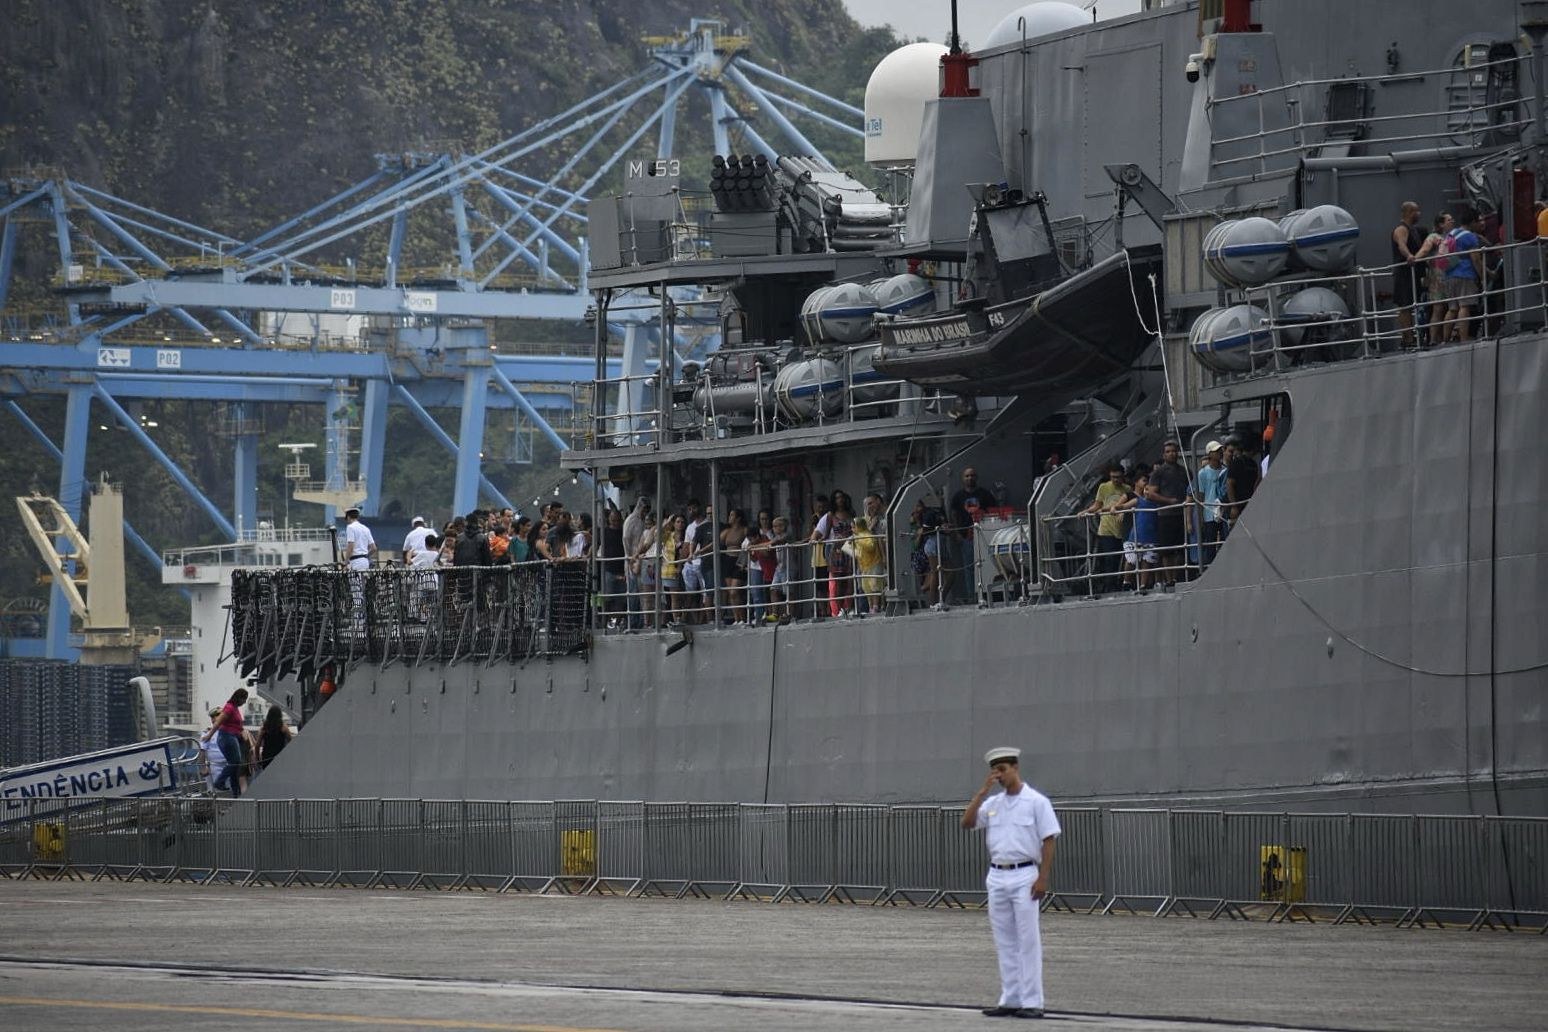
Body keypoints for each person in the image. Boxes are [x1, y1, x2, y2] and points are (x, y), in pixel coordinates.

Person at [961, 746, 1061, 1020]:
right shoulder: (993, 804)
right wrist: (982, 792)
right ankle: (1010, 997)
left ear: (1015, 768)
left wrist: (1043, 877)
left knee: (1027, 939)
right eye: (995, 771)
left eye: (1002, 770)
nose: (999, 776)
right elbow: (967, 823)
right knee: (1004, 939)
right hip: (997, 874)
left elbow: (1049, 839)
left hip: (1024, 873)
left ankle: (1032, 1001)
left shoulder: (1036, 802)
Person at [1144, 442, 1190, 586]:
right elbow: (1151, 494)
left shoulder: (1185, 471)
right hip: (1166, 515)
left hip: (1182, 513)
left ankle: (1178, 576)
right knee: (1166, 550)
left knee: (1182, 548)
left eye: (1174, 451)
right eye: (1168, 451)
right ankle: (1169, 579)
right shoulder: (1159, 472)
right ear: (1164, 455)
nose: (1172, 454)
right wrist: (1169, 500)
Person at [949, 468, 997, 602]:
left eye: (972, 475)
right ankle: (972, 595)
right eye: (967, 476)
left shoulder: (985, 494)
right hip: (966, 536)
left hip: (983, 535)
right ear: (963, 478)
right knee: (969, 567)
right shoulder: (958, 496)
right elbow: (954, 515)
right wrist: (957, 533)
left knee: (987, 564)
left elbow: (993, 511)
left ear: (977, 477)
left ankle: (987, 594)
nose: (970, 478)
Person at [1440, 208, 1486, 343]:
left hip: (1449, 274)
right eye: (1478, 221)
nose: (1479, 224)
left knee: (1452, 308)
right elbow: (1475, 259)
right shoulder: (1470, 236)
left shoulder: (1451, 234)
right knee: (1464, 306)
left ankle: (1445, 340)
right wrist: (1482, 276)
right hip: (1465, 274)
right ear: (1472, 222)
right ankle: (1464, 339)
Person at [1080, 464, 1130, 589]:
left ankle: (1119, 582)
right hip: (1106, 527)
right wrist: (1086, 511)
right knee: (1109, 557)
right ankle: (1109, 584)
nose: (1115, 480)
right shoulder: (1103, 487)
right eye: (1113, 477)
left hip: (1122, 528)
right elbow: (1097, 505)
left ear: (1123, 476)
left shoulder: (1127, 489)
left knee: (1121, 557)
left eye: (1118, 477)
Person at [1390, 201, 1429, 347]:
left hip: (1412, 274)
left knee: (1410, 305)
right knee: (1404, 306)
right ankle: (1408, 338)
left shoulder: (1413, 229)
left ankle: (1411, 335)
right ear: (1409, 213)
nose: (1419, 214)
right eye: (1416, 211)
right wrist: (1409, 256)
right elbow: (1401, 244)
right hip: (1404, 275)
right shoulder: (1401, 229)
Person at [1421, 212, 1454, 345]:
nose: (1452, 221)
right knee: (1438, 308)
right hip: (1438, 277)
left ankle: (1445, 337)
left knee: (1449, 307)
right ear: (1441, 224)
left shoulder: (1452, 236)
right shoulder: (1434, 237)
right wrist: (1414, 259)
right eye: (1449, 220)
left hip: (1450, 275)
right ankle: (1433, 339)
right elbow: (1424, 250)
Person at [211, 688, 249, 798]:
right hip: (228, 736)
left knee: (234, 765)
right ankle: (220, 781)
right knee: (236, 760)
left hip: (233, 736)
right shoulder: (229, 707)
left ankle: (235, 791)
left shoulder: (235, 708)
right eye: (244, 699)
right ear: (239, 698)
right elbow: (219, 722)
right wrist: (209, 735)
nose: (244, 702)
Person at [1196, 441, 1229, 568]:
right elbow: (1200, 495)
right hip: (1209, 512)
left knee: (1225, 539)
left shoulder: (1225, 470)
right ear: (1209, 454)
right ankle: (1209, 566)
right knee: (1210, 541)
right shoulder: (1202, 473)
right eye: (1216, 451)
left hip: (1223, 510)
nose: (1219, 453)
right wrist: (1200, 516)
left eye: (1220, 450)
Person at [256, 704, 293, 773]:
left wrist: (258, 760)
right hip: (280, 758)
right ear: (280, 715)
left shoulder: (264, 728)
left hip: (266, 758)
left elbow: (257, 745)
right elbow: (291, 742)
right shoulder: (283, 727)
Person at [198, 707, 226, 791]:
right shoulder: (207, 733)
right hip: (214, 766)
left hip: (229, 765)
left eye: (217, 715)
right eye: (212, 717)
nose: (214, 719)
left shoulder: (229, 731)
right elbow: (202, 751)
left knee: (230, 791)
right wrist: (203, 769)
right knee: (215, 792)